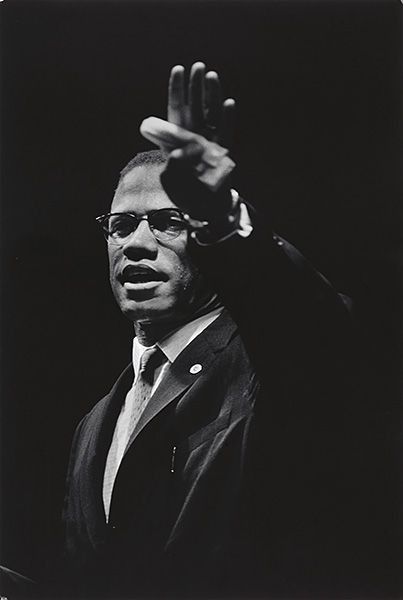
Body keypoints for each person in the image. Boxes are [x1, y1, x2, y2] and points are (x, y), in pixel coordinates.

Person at [62, 63, 366, 599]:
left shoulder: (267, 365)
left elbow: (311, 326)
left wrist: (223, 222)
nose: (135, 242)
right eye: (121, 224)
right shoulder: (92, 426)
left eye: (168, 221)